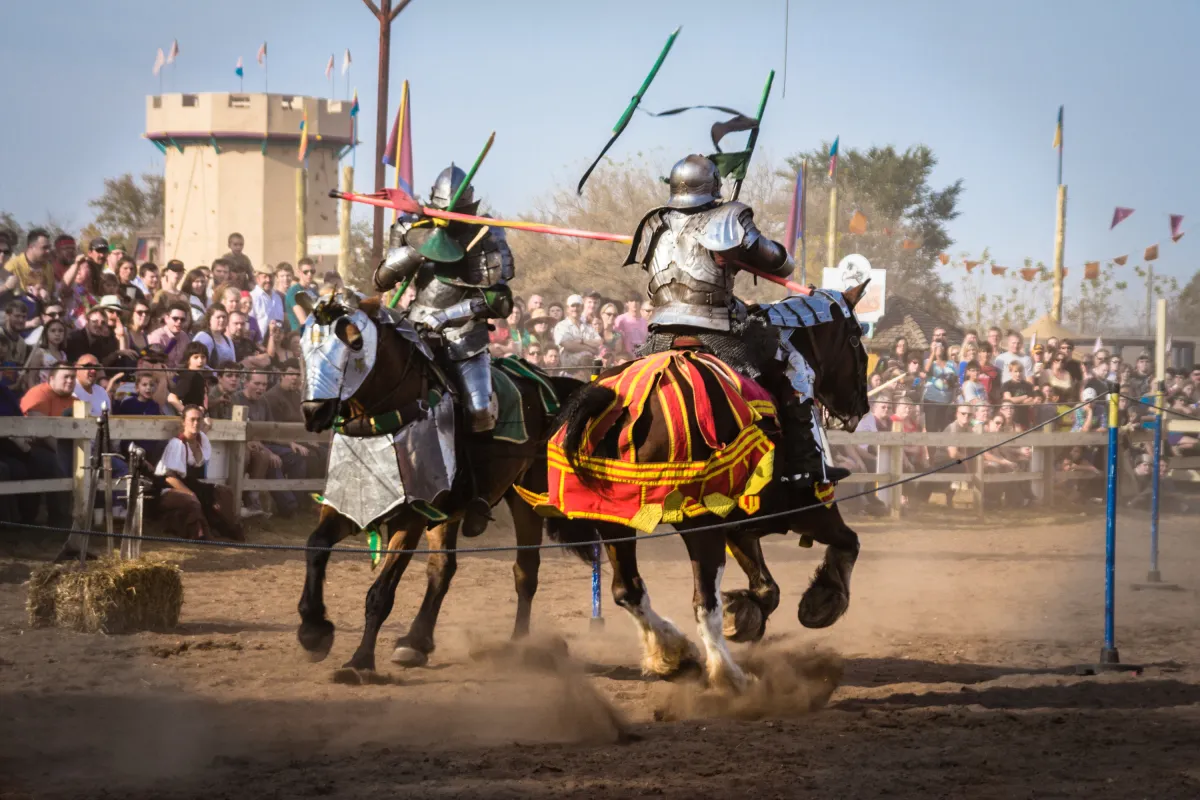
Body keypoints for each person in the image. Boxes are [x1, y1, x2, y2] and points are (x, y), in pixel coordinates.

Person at [627, 154, 848, 486]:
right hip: (713, 327)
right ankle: (805, 463)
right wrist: (740, 242)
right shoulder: (729, 217)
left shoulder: (653, 222)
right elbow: (779, 263)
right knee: (795, 367)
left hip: (661, 330)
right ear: (713, 185)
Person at [372, 165, 516, 535]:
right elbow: (382, 280)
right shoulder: (412, 226)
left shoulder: (484, 232)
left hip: (464, 336)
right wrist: (415, 251)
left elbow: (499, 300)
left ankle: (479, 494)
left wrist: (449, 316)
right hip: (415, 331)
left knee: (480, 410)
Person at [152, 405, 243, 540]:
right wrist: (190, 493)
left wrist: (207, 426)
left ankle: (228, 527)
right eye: (192, 419)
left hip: (190, 483)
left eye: (199, 419)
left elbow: (200, 434)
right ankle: (200, 534)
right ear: (184, 422)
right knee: (192, 501)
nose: (195, 423)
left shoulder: (201, 440)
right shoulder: (177, 444)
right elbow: (169, 478)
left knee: (224, 492)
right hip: (168, 487)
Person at [553, 294, 601, 370]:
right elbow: (569, 346)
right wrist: (590, 349)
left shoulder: (588, 327)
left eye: (578, 306)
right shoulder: (561, 326)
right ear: (567, 309)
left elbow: (598, 342)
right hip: (569, 368)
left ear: (582, 308)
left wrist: (582, 341)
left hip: (589, 367)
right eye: (573, 306)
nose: (575, 308)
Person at [4, 229, 54, 293]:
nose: (48, 251)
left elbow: (52, 292)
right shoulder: (12, 267)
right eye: (44, 248)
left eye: (49, 247)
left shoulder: (48, 267)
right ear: (31, 247)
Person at [167, 343, 211, 414]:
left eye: (203, 357)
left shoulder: (198, 376)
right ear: (188, 359)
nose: (200, 361)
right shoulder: (189, 376)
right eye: (196, 357)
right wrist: (187, 412)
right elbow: (171, 398)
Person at [146, 301, 192, 368]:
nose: (179, 322)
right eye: (175, 318)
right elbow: (152, 364)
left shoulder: (184, 336)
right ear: (166, 319)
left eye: (182, 319)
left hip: (180, 373)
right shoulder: (156, 337)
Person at [250, 266, 285, 335]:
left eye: (270, 277)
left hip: (277, 338)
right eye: (265, 277)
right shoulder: (252, 297)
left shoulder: (277, 298)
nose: (268, 280)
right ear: (257, 279)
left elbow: (281, 320)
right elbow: (250, 323)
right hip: (259, 340)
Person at [286, 257, 318, 330]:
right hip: (299, 334)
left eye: (312, 271)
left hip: (314, 332)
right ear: (299, 272)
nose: (309, 274)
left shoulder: (313, 291)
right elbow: (304, 321)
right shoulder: (294, 291)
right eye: (306, 272)